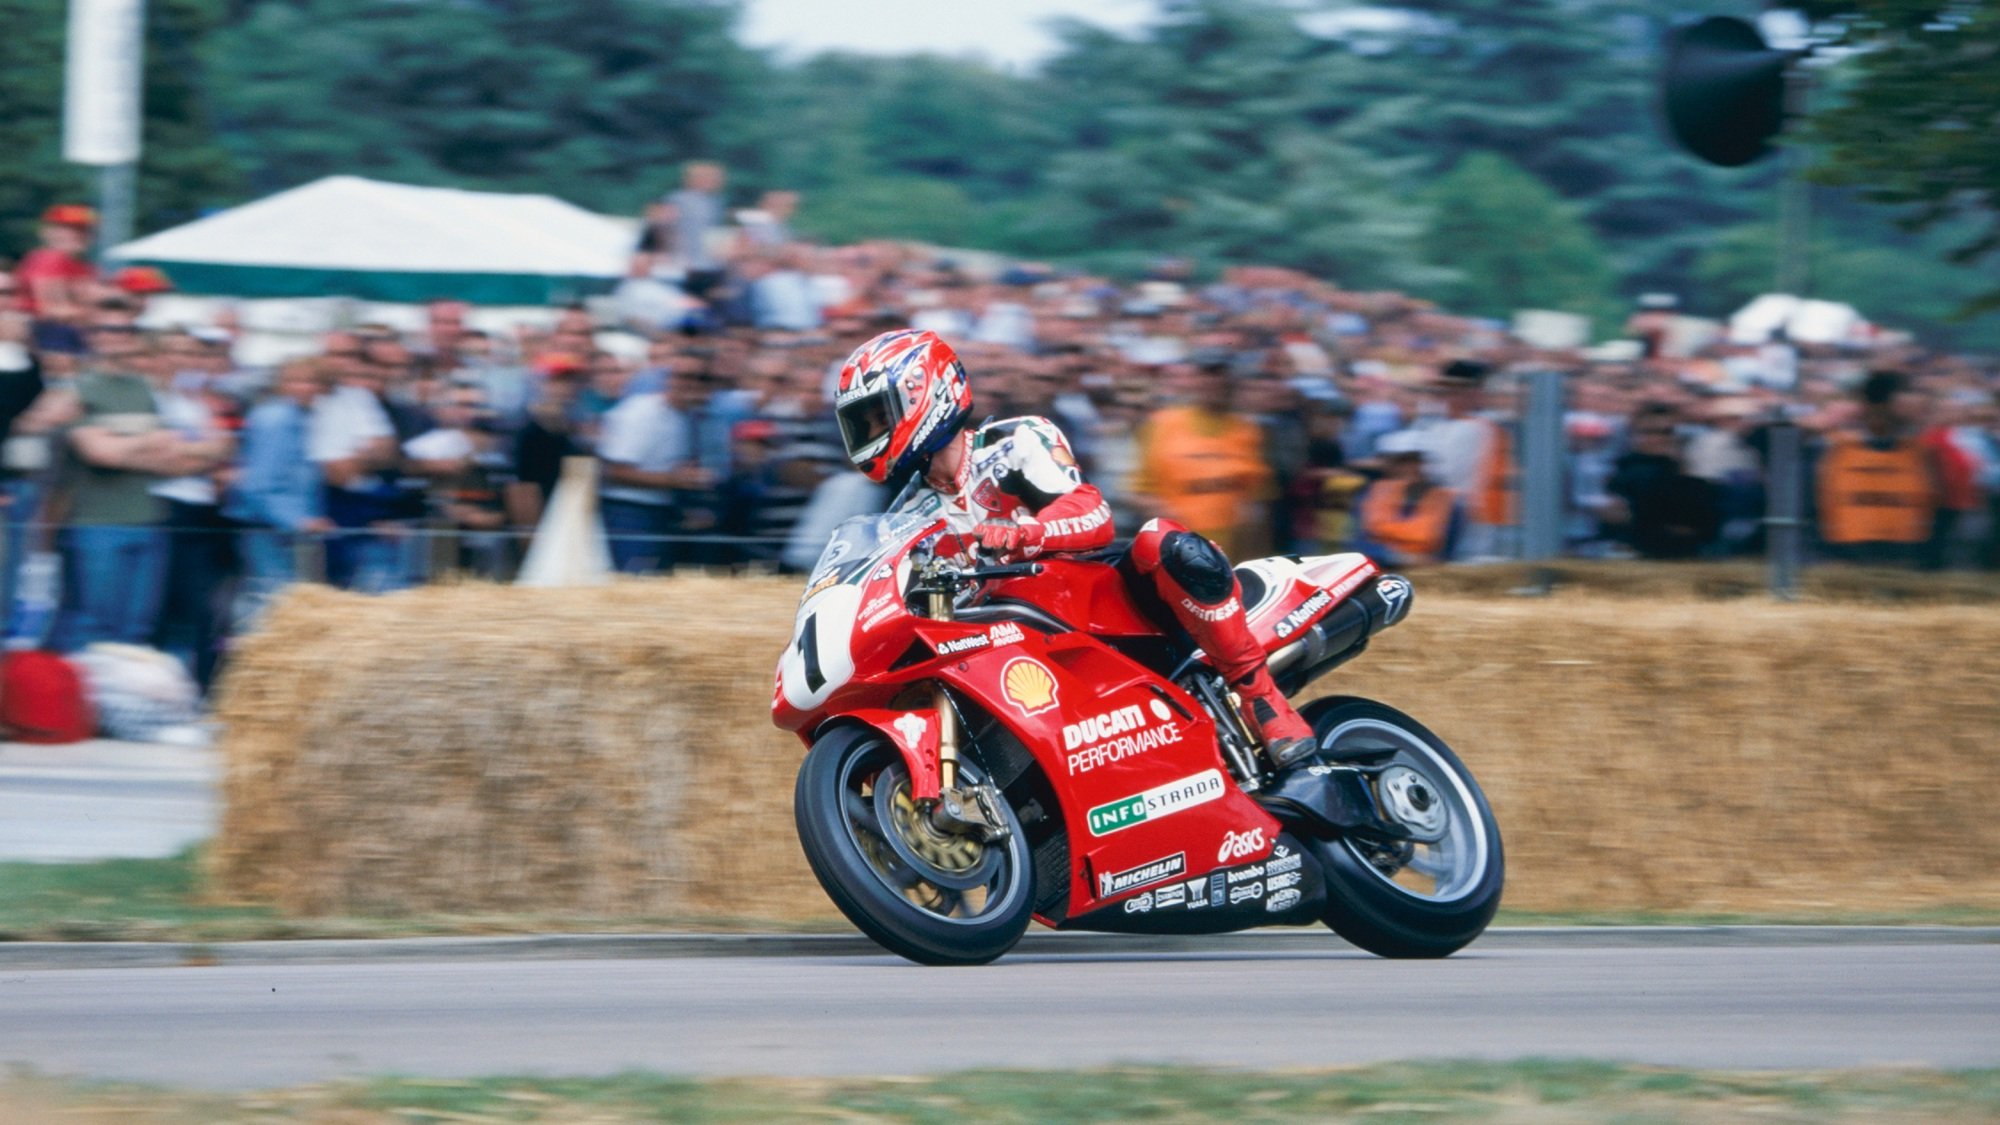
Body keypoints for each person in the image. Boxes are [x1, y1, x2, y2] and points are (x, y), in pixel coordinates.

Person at [832, 328, 1318, 767]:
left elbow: (1093, 513)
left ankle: (1261, 699)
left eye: (877, 417)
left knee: (1164, 542)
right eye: (862, 424)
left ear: (926, 394)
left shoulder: (1016, 440)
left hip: (1091, 603)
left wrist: (1026, 533)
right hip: (1002, 642)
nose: (870, 434)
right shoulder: (907, 512)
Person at [1816, 370, 1936, 566]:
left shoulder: (1922, 450)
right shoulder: (1838, 447)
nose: (1920, 401)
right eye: (1909, 393)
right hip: (1851, 551)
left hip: (1905, 549)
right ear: (1882, 404)